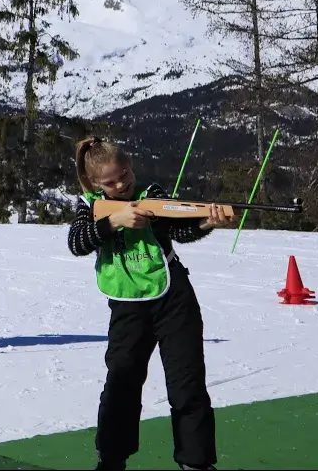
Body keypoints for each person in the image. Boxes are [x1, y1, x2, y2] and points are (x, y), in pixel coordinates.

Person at [69, 136, 230, 471]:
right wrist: (115, 221)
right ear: (95, 183)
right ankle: (111, 460)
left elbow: (180, 230)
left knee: (187, 384)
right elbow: (77, 242)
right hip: (128, 305)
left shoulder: (152, 193)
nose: (121, 185)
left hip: (174, 298)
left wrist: (208, 221)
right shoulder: (90, 205)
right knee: (121, 383)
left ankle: (197, 462)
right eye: (110, 182)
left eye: (125, 175)